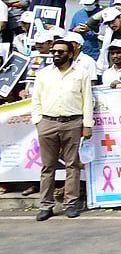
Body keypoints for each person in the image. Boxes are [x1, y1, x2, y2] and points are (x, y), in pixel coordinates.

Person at [30, 37, 94, 220]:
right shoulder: (43, 74)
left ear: (70, 53)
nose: (56, 55)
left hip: (73, 123)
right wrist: (39, 122)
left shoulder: (81, 73)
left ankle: (71, 203)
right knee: (47, 166)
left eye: (61, 52)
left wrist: (87, 125)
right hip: (48, 123)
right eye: (54, 52)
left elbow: (87, 101)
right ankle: (46, 205)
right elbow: (36, 100)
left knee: (72, 165)